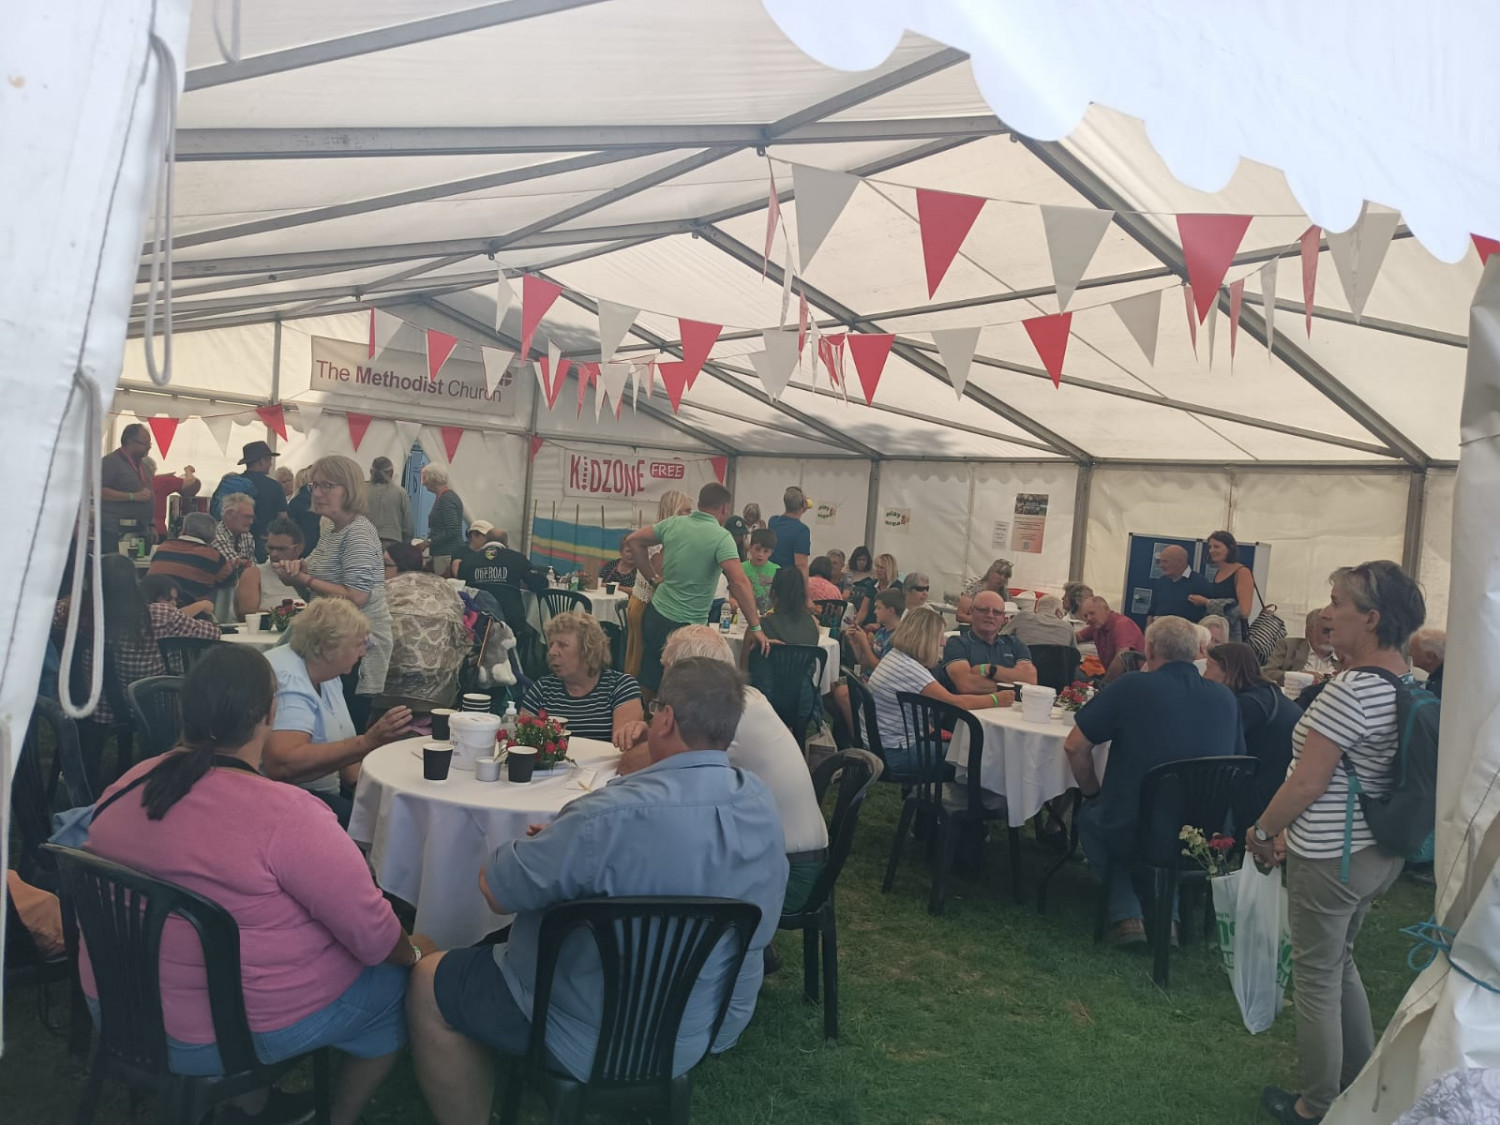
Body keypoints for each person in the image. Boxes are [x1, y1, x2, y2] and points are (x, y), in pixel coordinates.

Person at [406, 658, 787, 1122]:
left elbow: (496, 891)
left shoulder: (605, 816)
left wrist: (545, 845)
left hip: (580, 1029)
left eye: (654, 709)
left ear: (665, 718)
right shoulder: (760, 802)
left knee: (428, 980)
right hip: (697, 1026)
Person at [81, 645, 429, 1125]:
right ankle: (334, 1117)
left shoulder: (126, 785)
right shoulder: (288, 815)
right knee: (393, 990)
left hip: (117, 1010)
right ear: (270, 714)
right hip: (224, 1034)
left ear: (185, 710)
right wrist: (413, 955)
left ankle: (255, 1105)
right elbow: (373, 937)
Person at [1247, 562, 1425, 1125]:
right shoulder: (1405, 681)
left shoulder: (1352, 690)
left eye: (1338, 602)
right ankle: (1359, 1080)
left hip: (1330, 853)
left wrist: (1262, 830)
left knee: (1317, 978)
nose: (1327, 613)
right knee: (1340, 963)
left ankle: (1317, 1104)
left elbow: (1307, 780)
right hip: (1374, 850)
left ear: (1370, 619)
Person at [614, 626, 829, 915]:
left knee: (653, 868)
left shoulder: (719, 714)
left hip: (790, 873)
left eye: (668, 670)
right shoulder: (743, 699)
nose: (664, 682)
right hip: (790, 856)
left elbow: (634, 767)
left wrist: (649, 734)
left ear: (690, 675)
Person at [1064, 616, 1246, 946]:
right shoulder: (1225, 699)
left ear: (1148, 650)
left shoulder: (1132, 686)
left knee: (1092, 821)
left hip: (1139, 826)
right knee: (1164, 829)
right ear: (1198, 653)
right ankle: (1169, 919)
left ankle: (1128, 915)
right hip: (1206, 831)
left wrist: (1092, 793)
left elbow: (1075, 746)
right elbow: (1237, 764)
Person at [262, 598, 413, 824]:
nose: (363, 652)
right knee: (379, 828)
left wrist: (367, 793)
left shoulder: (325, 671)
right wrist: (367, 742)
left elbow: (343, 749)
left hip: (312, 794)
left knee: (389, 816)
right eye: (357, 645)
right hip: (278, 803)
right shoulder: (289, 680)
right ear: (328, 649)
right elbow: (283, 764)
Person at [624, 482, 768, 696]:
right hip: (689, 626)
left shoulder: (673, 523)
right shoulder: (722, 537)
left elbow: (633, 541)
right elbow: (739, 582)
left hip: (657, 614)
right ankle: (672, 725)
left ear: (699, 504)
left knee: (649, 678)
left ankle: (646, 720)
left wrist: (653, 579)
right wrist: (756, 627)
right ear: (724, 509)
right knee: (684, 687)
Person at [272, 454, 394, 705]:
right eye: (314, 485)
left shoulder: (358, 533)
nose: (317, 493)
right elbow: (317, 579)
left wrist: (303, 578)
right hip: (331, 641)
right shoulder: (329, 526)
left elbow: (356, 598)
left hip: (356, 648)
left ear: (349, 490)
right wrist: (295, 572)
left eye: (326, 485)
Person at [82, 557, 220, 775]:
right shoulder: (158, 614)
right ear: (135, 582)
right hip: (154, 705)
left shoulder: (79, 616)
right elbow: (212, 633)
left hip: (97, 706)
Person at [867, 607, 1011, 774]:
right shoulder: (911, 670)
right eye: (939, 636)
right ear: (926, 638)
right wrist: (996, 699)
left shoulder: (895, 657)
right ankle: (972, 799)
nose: (943, 642)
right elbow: (957, 703)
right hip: (896, 752)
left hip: (882, 743)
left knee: (963, 750)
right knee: (978, 756)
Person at [1205, 642, 1300, 816]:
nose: (1204, 675)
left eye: (1209, 667)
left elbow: (1211, 746)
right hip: (1279, 789)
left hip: (1256, 796)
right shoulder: (1269, 695)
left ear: (1229, 671)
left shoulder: (1246, 705)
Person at [519, 611, 643, 743]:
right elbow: (522, 741)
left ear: (587, 650)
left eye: (562, 645)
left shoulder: (621, 687)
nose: (552, 652)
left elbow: (625, 747)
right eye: (551, 645)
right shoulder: (542, 689)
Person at [379, 543, 469, 714]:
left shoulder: (385, 588)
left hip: (389, 684)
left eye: (385, 565)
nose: (381, 570)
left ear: (402, 565)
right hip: (441, 687)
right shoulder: (443, 586)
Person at [623, 490, 694, 676]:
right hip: (646, 605)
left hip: (647, 603)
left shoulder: (662, 533)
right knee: (641, 665)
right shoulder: (660, 537)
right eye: (686, 511)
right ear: (674, 511)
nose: (690, 516)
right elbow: (660, 573)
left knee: (641, 660)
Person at [941, 590, 1038, 693]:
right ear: (971, 612)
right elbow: (967, 685)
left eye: (996, 612)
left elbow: (1030, 680)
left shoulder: (1015, 644)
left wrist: (989, 670)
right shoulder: (957, 643)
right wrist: (1013, 682)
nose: (990, 615)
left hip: (1008, 707)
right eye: (983, 610)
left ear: (1003, 618)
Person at [147, 511, 239, 604]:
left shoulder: (163, 547)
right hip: (189, 611)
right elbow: (230, 582)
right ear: (213, 536)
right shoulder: (212, 556)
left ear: (184, 530)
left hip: (150, 609)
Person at [99, 423, 156, 553]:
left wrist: (152, 524)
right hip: (115, 532)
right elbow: (97, 491)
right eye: (145, 443)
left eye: (150, 444)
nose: (149, 447)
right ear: (130, 442)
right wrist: (132, 496)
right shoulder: (110, 463)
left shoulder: (144, 467)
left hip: (140, 531)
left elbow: (149, 498)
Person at [1190, 530, 1256, 640]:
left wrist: (1207, 603)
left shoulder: (1242, 572)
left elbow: (1244, 611)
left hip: (1233, 637)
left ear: (1230, 548)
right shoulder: (1218, 572)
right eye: (1210, 547)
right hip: (1216, 635)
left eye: (1217, 547)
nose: (1211, 551)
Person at [235, 516, 304, 618]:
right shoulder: (254, 574)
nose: (274, 554)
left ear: (298, 548)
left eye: (281, 549)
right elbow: (247, 613)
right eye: (270, 548)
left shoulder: (309, 571)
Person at [232, 440, 289, 557]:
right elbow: (283, 519)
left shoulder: (234, 483)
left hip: (235, 542)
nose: (271, 464)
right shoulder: (274, 486)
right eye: (269, 460)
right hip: (264, 543)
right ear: (261, 461)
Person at [1263, 609, 1339, 685]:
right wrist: (1301, 676)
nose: (1332, 635)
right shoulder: (1288, 646)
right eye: (1326, 631)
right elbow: (1267, 673)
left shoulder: (1345, 655)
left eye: (1336, 630)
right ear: (1310, 630)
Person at [1076, 596, 1145, 672]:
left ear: (1105, 609)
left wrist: (1105, 683)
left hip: (1135, 678)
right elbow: (1077, 637)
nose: (1088, 618)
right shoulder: (1097, 626)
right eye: (1085, 616)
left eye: (1092, 613)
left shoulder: (1121, 624)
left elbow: (1121, 658)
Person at [845, 587, 905, 674]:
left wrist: (864, 642)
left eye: (878, 608)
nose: (875, 612)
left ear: (891, 611)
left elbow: (880, 669)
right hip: (869, 678)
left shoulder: (897, 638)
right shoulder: (881, 632)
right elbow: (865, 664)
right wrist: (855, 642)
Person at [420, 465, 465, 578]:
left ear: (433, 479)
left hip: (447, 554)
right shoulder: (445, 497)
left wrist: (428, 542)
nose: (423, 483)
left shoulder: (446, 499)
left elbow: (452, 530)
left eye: (424, 478)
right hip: (443, 553)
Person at [1148, 544, 1209, 623]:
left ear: (1180, 562)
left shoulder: (1200, 583)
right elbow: (1151, 612)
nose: (1160, 565)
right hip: (1159, 632)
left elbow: (1206, 616)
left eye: (1165, 562)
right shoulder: (1161, 582)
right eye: (1160, 561)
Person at [365, 456, 413, 547]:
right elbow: (408, 526)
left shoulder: (361, 490)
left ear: (371, 472)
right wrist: (407, 545)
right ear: (391, 473)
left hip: (365, 542)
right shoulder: (400, 492)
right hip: (392, 545)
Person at [766, 486, 812, 579]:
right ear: (804, 504)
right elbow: (801, 565)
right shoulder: (802, 530)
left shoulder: (773, 521)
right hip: (787, 580)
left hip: (768, 575)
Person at [1002, 593, 1078, 648]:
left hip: (1023, 667)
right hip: (1057, 669)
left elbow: (999, 639)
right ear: (1058, 612)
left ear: (1036, 610)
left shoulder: (1022, 617)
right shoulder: (1068, 627)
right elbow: (1074, 654)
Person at [956, 558, 1014, 626]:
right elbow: (960, 616)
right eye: (999, 573)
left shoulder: (1006, 594)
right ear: (990, 572)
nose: (1002, 578)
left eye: (1006, 576)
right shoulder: (974, 588)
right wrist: (985, 621)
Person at [852, 553, 899, 627]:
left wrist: (878, 625)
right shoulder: (871, 585)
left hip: (888, 627)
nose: (878, 570)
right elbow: (863, 610)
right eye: (877, 567)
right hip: (868, 625)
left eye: (881, 568)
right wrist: (856, 623)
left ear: (889, 569)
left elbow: (895, 615)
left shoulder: (898, 588)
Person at [213, 491, 257, 566]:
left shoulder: (247, 536)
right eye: (246, 517)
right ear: (228, 515)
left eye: (252, 517)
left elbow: (253, 567)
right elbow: (236, 567)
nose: (251, 522)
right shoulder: (215, 535)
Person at [742, 528, 779, 614]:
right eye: (757, 549)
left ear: (771, 552)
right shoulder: (741, 568)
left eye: (765, 551)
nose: (760, 554)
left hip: (769, 615)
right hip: (745, 614)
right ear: (750, 548)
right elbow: (733, 594)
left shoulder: (777, 570)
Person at [287, 466, 322, 556]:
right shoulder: (322, 501)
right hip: (320, 548)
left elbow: (290, 529)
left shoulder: (295, 502)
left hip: (301, 549)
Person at [1409, 627, 1445, 698]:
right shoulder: (1438, 675)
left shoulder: (1443, 684)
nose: (1410, 654)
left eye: (1413, 650)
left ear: (1430, 656)